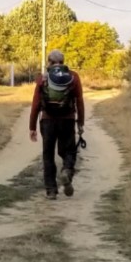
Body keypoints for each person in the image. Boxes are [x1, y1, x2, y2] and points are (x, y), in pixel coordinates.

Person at [27, 48, 85, 199]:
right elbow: (79, 101)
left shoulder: (43, 78)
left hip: (47, 121)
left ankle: (51, 190)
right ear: (63, 62)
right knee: (69, 151)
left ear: (49, 62)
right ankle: (66, 170)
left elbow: (35, 104)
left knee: (48, 155)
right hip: (68, 120)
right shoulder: (73, 77)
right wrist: (80, 123)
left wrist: (32, 126)